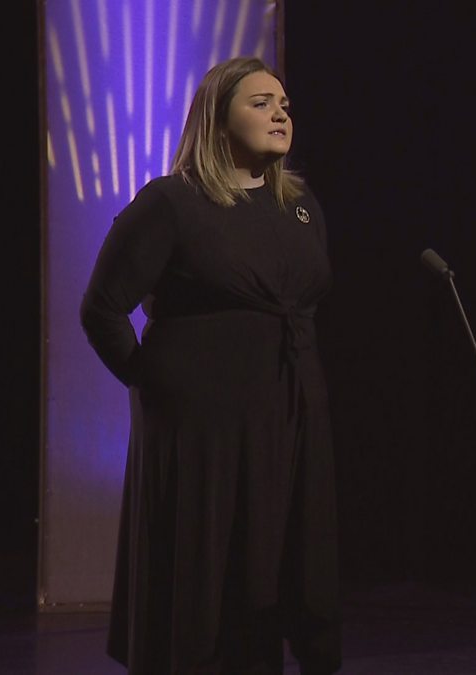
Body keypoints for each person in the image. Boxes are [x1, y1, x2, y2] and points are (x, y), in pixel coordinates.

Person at [81, 57, 340, 674]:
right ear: (217, 120)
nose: (281, 113)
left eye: (284, 104)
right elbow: (102, 309)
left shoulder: (301, 206)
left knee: (279, 570)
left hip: (290, 417)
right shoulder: (173, 203)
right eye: (261, 103)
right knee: (207, 581)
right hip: (202, 430)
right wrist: (155, 383)